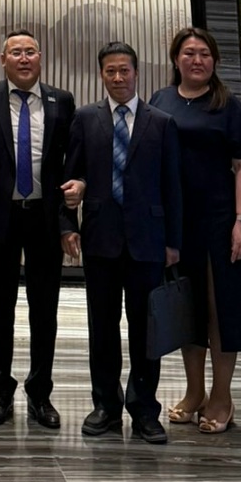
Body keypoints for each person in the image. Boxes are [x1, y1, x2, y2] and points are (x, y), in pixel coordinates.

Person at [63, 40, 182, 444]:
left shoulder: (161, 122)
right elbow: (71, 175)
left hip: (148, 241)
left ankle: (145, 409)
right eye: (110, 71)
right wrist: (68, 224)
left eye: (124, 70)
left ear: (136, 73)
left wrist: (173, 242)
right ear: (102, 75)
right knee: (102, 327)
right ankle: (106, 406)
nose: (118, 77)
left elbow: (172, 187)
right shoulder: (85, 118)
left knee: (146, 330)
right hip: (101, 238)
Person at [0, 31, 78, 430]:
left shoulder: (61, 101)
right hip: (0, 217)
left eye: (30, 51)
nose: (24, 58)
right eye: (16, 52)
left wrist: (69, 220)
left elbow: (69, 164)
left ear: (41, 57)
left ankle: (40, 393)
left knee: (44, 311)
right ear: (3, 59)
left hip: (44, 219)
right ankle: (1, 391)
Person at [149, 27, 241, 433]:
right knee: (185, 309)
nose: (197, 60)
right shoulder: (161, 100)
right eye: (189, 53)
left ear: (214, 61)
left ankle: (221, 395)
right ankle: (194, 392)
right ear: (176, 59)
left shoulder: (226, 105)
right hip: (177, 222)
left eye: (205, 54)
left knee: (219, 310)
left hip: (219, 220)